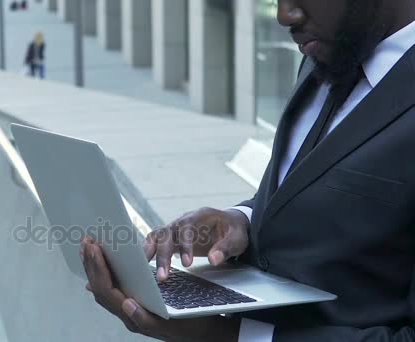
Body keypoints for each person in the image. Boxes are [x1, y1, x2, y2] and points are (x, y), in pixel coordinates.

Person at [81, 0, 415, 341]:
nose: (285, 16)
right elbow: (309, 192)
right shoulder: (327, 53)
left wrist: (227, 336)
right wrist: (241, 222)